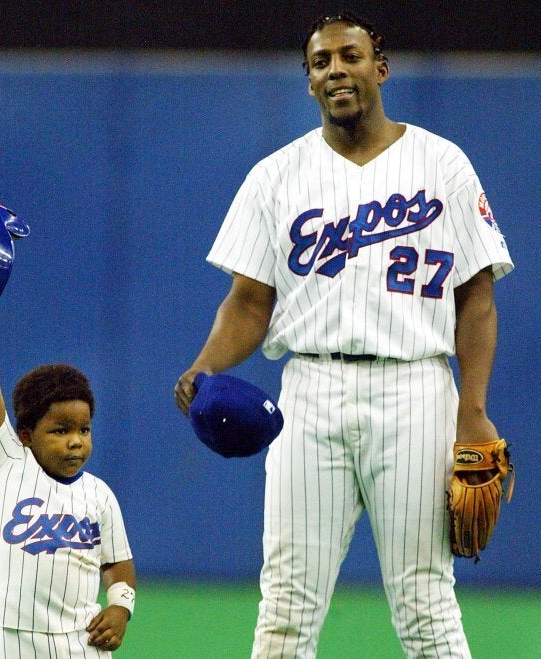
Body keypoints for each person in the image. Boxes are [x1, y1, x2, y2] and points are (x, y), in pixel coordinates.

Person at [174, 10, 513, 658]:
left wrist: (473, 410)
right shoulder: (276, 176)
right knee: (286, 607)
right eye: (321, 61)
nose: (336, 69)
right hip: (312, 389)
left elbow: (477, 300)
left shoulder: (443, 165)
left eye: (349, 56)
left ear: (379, 67)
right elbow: (249, 302)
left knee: (426, 606)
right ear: (308, 82)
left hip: (416, 387)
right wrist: (204, 365)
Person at [0, 291, 136, 658]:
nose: (75, 442)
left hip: (81, 641)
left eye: (84, 430)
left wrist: (120, 607)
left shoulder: (99, 494)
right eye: (60, 431)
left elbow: (116, 561)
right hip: (9, 638)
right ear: (26, 436)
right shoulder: (6, 463)